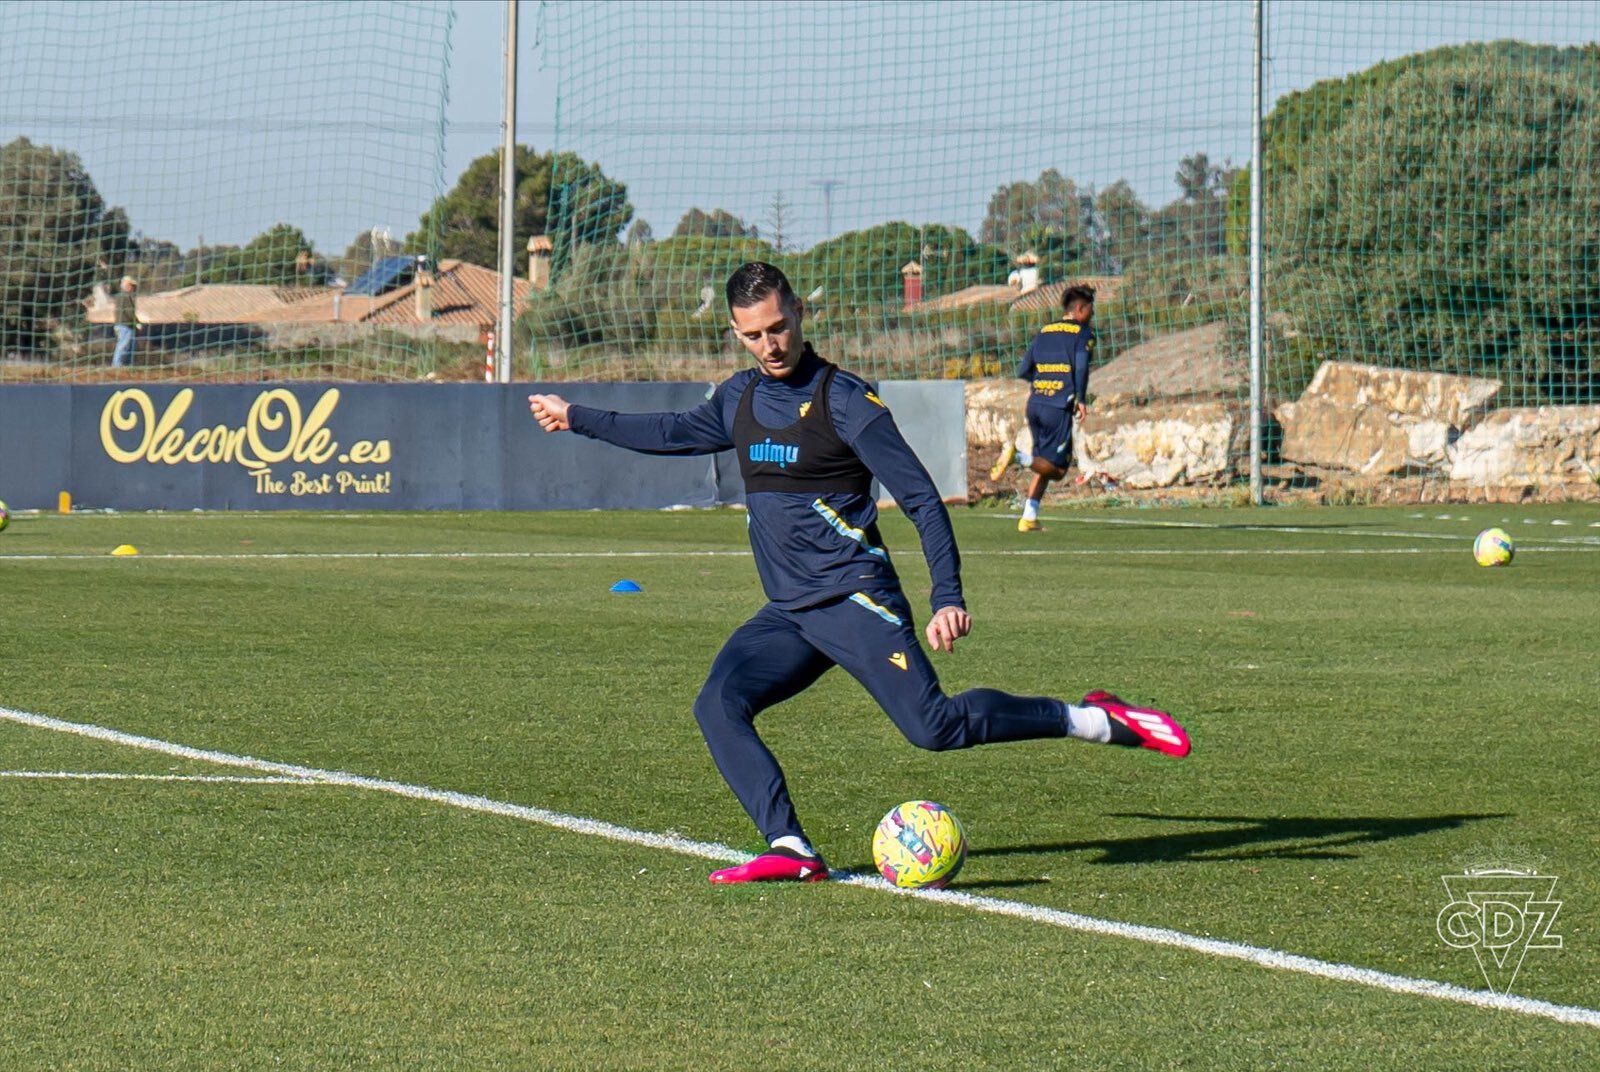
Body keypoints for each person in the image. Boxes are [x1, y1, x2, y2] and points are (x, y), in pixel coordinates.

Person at [528, 263, 1189, 885]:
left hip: (854, 600)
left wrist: (947, 595)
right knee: (718, 704)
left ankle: (1093, 719)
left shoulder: (844, 401)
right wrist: (576, 417)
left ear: (799, 312)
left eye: (778, 327)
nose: (770, 345)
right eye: (753, 335)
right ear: (735, 332)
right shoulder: (739, 398)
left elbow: (921, 498)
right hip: (791, 613)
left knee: (934, 728)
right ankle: (790, 847)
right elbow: (671, 431)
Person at [990, 284, 1096, 531]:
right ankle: (1017, 457)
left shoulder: (1044, 331)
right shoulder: (1083, 334)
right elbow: (1081, 367)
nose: (1092, 314)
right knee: (1057, 470)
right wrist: (1080, 398)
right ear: (1080, 309)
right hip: (1057, 407)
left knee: (1043, 462)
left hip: (1035, 403)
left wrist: (1044, 383)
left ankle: (1029, 517)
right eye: (1091, 309)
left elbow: (1023, 370)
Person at [112, 276, 139, 368]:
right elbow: (129, 312)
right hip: (125, 325)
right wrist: (137, 323)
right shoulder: (126, 297)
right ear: (127, 285)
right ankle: (117, 365)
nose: (133, 288)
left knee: (126, 345)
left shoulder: (119, 296)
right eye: (132, 286)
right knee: (124, 345)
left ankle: (123, 366)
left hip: (120, 325)